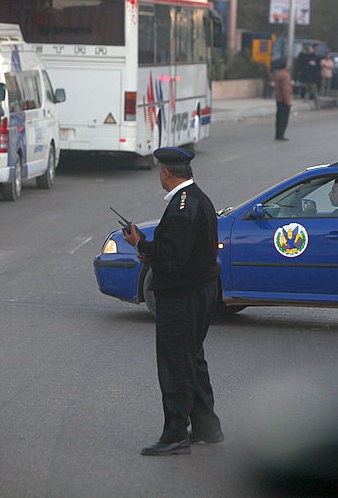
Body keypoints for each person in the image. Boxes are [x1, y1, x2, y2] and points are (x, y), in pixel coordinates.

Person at [123, 147, 224, 456]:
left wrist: (141, 244)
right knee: (192, 359)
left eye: (159, 171)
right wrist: (148, 248)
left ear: (166, 172)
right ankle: (208, 428)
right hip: (199, 291)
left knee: (175, 365)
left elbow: (173, 258)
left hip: (182, 296)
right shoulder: (196, 198)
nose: (159, 176)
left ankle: (176, 434)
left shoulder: (182, 207)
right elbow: (181, 250)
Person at [273, 60, 293, 141]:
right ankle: (281, 134)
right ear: (285, 66)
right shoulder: (285, 76)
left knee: (279, 117)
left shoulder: (277, 74)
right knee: (283, 118)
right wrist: (288, 101)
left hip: (278, 98)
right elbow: (286, 89)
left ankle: (278, 133)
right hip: (284, 99)